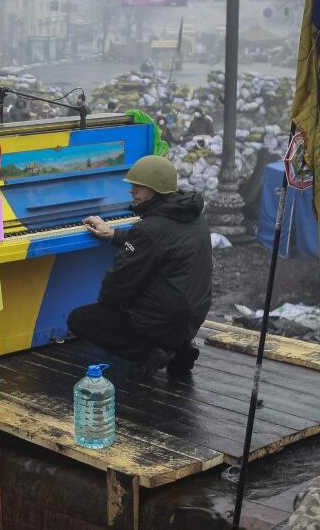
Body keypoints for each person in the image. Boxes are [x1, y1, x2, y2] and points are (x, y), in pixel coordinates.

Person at [67, 155, 212, 378]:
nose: (131, 191)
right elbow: (158, 242)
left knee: (80, 319)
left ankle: (149, 355)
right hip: (192, 315)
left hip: (162, 318)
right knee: (150, 294)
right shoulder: (192, 216)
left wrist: (108, 309)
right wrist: (114, 234)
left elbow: (119, 282)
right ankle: (180, 348)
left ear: (155, 190)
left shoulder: (149, 228)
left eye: (138, 186)